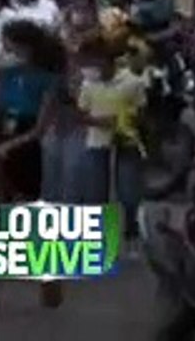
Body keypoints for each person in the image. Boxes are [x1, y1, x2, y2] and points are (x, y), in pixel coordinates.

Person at [0, 19, 72, 319]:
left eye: (7, 43)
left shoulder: (49, 80)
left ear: (24, 46)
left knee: (34, 217)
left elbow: (40, 128)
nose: (3, 49)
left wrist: (7, 147)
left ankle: (49, 280)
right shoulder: (2, 76)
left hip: (27, 149)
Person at [75, 36, 144, 254]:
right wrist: (99, 122)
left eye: (91, 62)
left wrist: (122, 122)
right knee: (96, 192)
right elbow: (82, 113)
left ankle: (131, 230)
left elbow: (141, 112)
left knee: (128, 191)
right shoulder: (87, 85)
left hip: (127, 141)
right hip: (97, 141)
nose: (87, 68)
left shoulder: (132, 82)